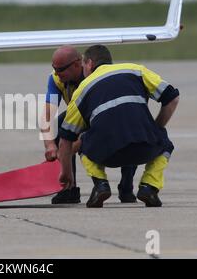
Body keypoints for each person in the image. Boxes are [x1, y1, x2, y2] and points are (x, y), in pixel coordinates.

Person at [57, 45, 179, 208]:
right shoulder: (136, 70)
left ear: (89, 63)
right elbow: (173, 98)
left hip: (107, 154)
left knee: (84, 141)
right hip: (144, 149)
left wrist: (66, 174)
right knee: (165, 142)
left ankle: (100, 184)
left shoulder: (82, 90)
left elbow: (66, 139)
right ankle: (149, 186)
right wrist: (156, 129)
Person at [41, 45, 137, 204]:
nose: (57, 74)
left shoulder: (98, 77)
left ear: (77, 64)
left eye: (61, 69)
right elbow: (47, 115)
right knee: (60, 127)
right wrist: (50, 145)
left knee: (127, 130)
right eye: (54, 68)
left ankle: (126, 186)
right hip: (80, 116)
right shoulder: (56, 79)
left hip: (107, 116)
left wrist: (67, 150)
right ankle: (68, 188)